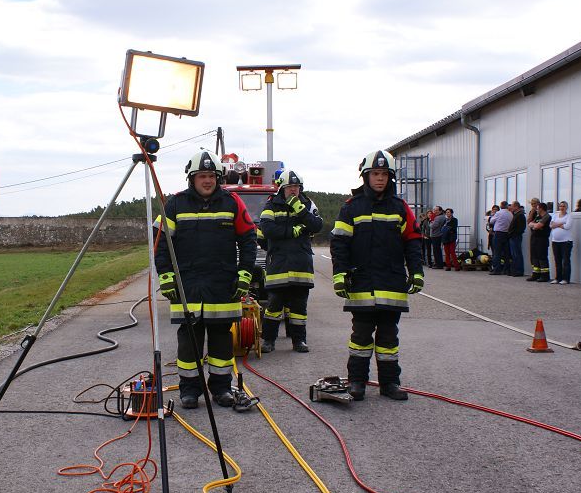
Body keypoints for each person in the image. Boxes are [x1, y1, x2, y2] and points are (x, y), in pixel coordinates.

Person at [155, 149, 257, 409]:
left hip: (222, 284)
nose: (208, 180)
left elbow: (248, 239)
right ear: (192, 178)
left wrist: (245, 273)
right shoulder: (175, 204)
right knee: (189, 341)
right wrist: (165, 275)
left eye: (211, 175)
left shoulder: (233, 203)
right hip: (187, 285)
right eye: (202, 176)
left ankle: (221, 389)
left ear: (218, 177)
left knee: (222, 340)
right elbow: (161, 243)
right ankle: (190, 391)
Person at [330, 150, 424, 401]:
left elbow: (413, 241)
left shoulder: (400, 208)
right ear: (366, 176)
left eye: (384, 174)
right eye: (375, 174)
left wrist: (416, 272)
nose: (380, 178)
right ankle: (357, 381)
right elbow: (339, 244)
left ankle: (390, 383)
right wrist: (339, 275)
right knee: (360, 337)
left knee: (388, 338)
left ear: (390, 177)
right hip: (361, 283)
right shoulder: (352, 207)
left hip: (391, 284)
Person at [258, 169, 324, 353]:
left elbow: (317, 225)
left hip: (301, 263)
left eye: (296, 186)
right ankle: (268, 341)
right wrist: (292, 232)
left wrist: (300, 210)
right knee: (274, 306)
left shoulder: (307, 204)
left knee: (299, 307)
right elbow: (267, 230)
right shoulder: (272, 205)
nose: (293, 190)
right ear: (282, 188)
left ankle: (299, 341)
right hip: (279, 263)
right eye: (289, 187)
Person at [550, 200, 574, 284]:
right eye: (560, 206)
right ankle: (558, 278)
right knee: (557, 260)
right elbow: (551, 225)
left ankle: (566, 279)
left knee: (566, 261)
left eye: (563, 206)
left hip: (566, 242)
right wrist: (561, 224)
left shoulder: (569, 216)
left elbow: (567, 226)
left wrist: (556, 224)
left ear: (566, 207)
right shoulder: (555, 215)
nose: (562, 207)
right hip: (555, 241)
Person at [527, 201, 552, 282]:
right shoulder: (538, 216)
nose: (536, 210)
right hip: (535, 238)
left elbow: (538, 225)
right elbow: (530, 224)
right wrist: (535, 226)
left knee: (542, 256)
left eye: (537, 208)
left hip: (542, 239)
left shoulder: (546, 216)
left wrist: (536, 226)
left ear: (541, 209)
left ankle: (545, 275)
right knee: (535, 256)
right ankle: (536, 274)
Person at [489, 202, 512, 275]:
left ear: (501, 206)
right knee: (506, 253)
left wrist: (492, 216)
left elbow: (491, 221)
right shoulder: (510, 214)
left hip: (498, 234)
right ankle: (506, 269)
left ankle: (497, 270)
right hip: (507, 234)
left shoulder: (498, 213)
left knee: (497, 252)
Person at [507, 200, 527, 277]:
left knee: (517, 254)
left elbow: (521, 228)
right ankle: (514, 270)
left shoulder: (520, 215)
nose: (511, 207)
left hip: (516, 237)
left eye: (512, 206)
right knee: (514, 254)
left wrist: (512, 233)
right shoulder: (516, 214)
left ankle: (519, 270)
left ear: (516, 206)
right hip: (513, 237)